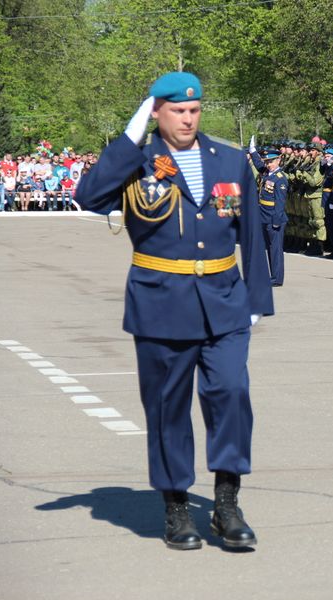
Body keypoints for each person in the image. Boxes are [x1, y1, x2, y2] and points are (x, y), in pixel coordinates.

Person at [75, 71, 274, 551]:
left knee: (231, 392)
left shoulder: (228, 159)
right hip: (161, 302)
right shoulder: (136, 162)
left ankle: (226, 502)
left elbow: (251, 232)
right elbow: (88, 196)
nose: (188, 117)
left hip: (224, 300)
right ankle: (176, 508)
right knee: (167, 409)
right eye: (178, 110)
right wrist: (128, 138)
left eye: (195, 109)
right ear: (157, 113)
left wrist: (256, 299)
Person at [249, 142, 289, 287]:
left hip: (274, 217)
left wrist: (276, 221)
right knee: (269, 248)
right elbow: (259, 164)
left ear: (278, 160)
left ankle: (277, 278)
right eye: (267, 161)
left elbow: (280, 202)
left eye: (271, 161)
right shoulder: (267, 173)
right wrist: (253, 152)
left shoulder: (280, 178)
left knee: (275, 249)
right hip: (264, 216)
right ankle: (272, 275)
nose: (268, 164)